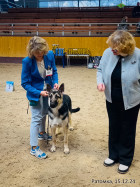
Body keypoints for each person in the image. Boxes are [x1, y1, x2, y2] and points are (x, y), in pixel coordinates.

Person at [97, 30, 140, 174]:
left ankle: (125, 159)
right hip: (112, 98)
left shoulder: (138, 55)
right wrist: (100, 82)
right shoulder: (108, 52)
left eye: (116, 48)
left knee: (127, 129)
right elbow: (100, 70)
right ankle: (113, 155)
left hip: (132, 100)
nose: (112, 50)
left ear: (125, 48)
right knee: (114, 126)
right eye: (111, 46)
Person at [21, 36, 59, 159]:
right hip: (35, 94)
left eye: (42, 52)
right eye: (37, 54)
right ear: (32, 52)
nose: (40, 55)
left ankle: (42, 134)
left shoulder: (50, 55)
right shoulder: (27, 61)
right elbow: (25, 83)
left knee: (44, 113)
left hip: (47, 90)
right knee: (36, 118)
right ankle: (33, 148)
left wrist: (55, 82)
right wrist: (38, 92)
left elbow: (54, 70)